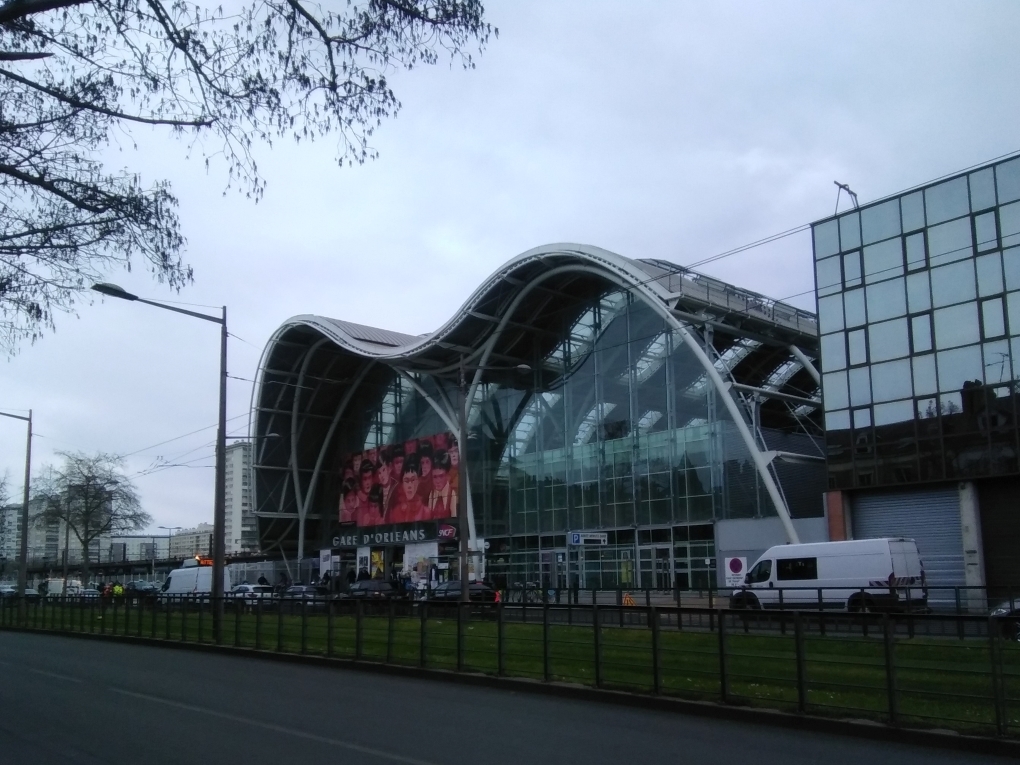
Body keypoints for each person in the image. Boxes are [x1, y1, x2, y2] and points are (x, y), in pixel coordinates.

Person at [387, 455, 429, 524]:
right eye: (406, 481)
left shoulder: (426, 512)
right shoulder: (395, 513)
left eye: (413, 480)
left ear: (418, 481)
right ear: (402, 483)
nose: (410, 485)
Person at [426, 449, 458, 520]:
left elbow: (454, 518)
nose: (438, 481)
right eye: (435, 477)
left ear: (447, 476)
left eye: (441, 476)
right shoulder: (432, 494)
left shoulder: (452, 494)